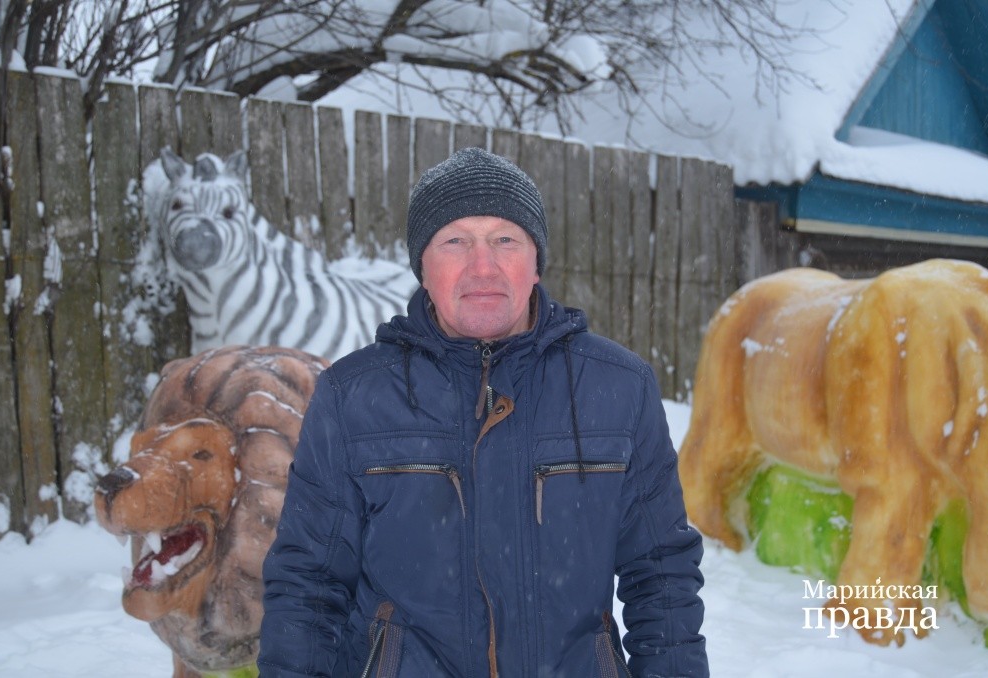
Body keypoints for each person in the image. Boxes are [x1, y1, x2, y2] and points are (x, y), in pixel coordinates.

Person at [258, 147, 708, 677]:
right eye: (455, 241)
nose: (483, 266)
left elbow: (661, 577)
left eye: (505, 240)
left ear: (536, 262)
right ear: (422, 266)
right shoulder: (353, 395)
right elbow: (308, 585)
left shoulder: (619, 387)